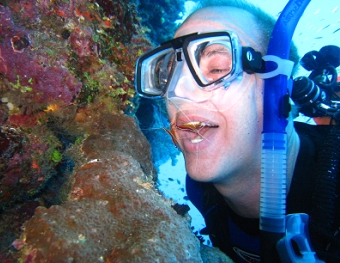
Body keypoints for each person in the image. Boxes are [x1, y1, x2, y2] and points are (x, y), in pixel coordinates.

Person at [135, 0, 340, 262]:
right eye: (168, 76)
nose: (177, 92)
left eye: (218, 68)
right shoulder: (200, 190)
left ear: (282, 89)